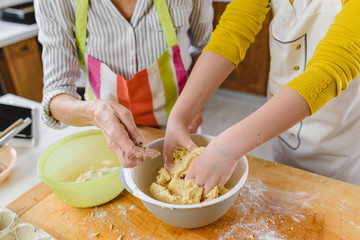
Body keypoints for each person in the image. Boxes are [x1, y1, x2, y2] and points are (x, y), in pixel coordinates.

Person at [164, 0, 360, 195]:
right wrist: (179, 117)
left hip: (340, 151)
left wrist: (228, 146)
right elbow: (232, 32)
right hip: (280, 128)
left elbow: (332, 67)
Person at [34, 0, 213, 167]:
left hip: (181, 128)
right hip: (108, 140)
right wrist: (95, 113)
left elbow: (206, 48)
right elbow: (55, 96)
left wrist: (196, 102)